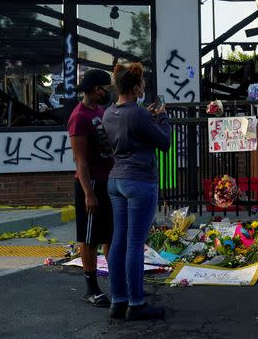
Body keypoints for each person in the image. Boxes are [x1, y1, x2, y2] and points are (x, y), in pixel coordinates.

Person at [102, 63, 171, 321]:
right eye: (142, 85)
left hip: (116, 179)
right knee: (134, 244)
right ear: (136, 87)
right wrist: (162, 116)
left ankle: (118, 300)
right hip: (139, 180)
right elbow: (164, 143)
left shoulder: (109, 113)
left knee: (118, 241)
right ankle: (137, 303)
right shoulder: (138, 113)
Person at [68, 69, 115, 307]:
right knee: (89, 239)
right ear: (97, 89)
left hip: (107, 181)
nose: (110, 91)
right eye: (107, 87)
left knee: (110, 235)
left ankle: (118, 284)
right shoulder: (79, 117)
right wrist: (88, 192)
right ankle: (91, 288)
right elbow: (80, 159)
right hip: (91, 183)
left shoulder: (99, 111)